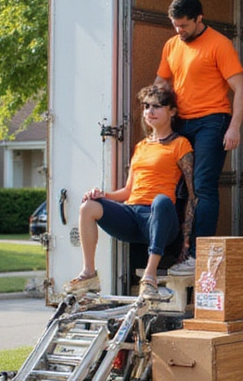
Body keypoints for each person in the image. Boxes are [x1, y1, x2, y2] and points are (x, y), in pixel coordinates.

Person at [63, 85, 195, 299]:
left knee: (161, 201)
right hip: (133, 215)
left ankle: (149, 277)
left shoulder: (180, 144)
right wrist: (102, 195)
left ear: (172, 111)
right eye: (146, 106)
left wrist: (187, 240)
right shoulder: (141, 146)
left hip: (160, 218)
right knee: (88, 206)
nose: (149, 112)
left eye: (157, 107)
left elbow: (193, 193)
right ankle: (89, 274)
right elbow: (128, 191)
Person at [154, 0, 243, 276]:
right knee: (178, 188)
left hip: (212, 121)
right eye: (175, 25)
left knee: (204, 186)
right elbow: (161, 81)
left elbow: (242, 89)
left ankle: (199, 254)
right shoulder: (172, 44)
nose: (179, 31)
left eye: (184, 25)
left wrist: (234, 127)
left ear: (199, 19)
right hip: (180, 121)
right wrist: (153, 113)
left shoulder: (219, 44)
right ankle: (176, 252)